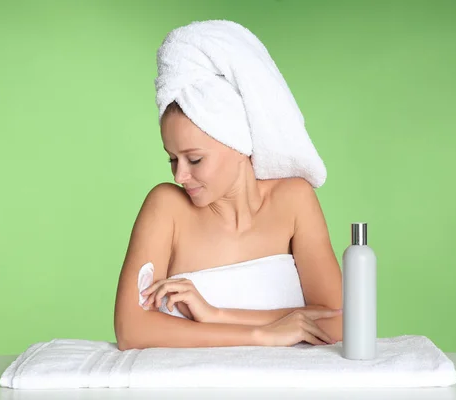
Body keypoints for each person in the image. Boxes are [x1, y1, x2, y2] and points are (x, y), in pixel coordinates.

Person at [113, 21, 343, 351]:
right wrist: (263, 334)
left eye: (194, 160)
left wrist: (215, 313)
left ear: (238, 144)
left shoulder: (294, 200)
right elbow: (131, 330)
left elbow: (338, 322)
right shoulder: (167, 207)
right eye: (172, 159)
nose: (179, 176)